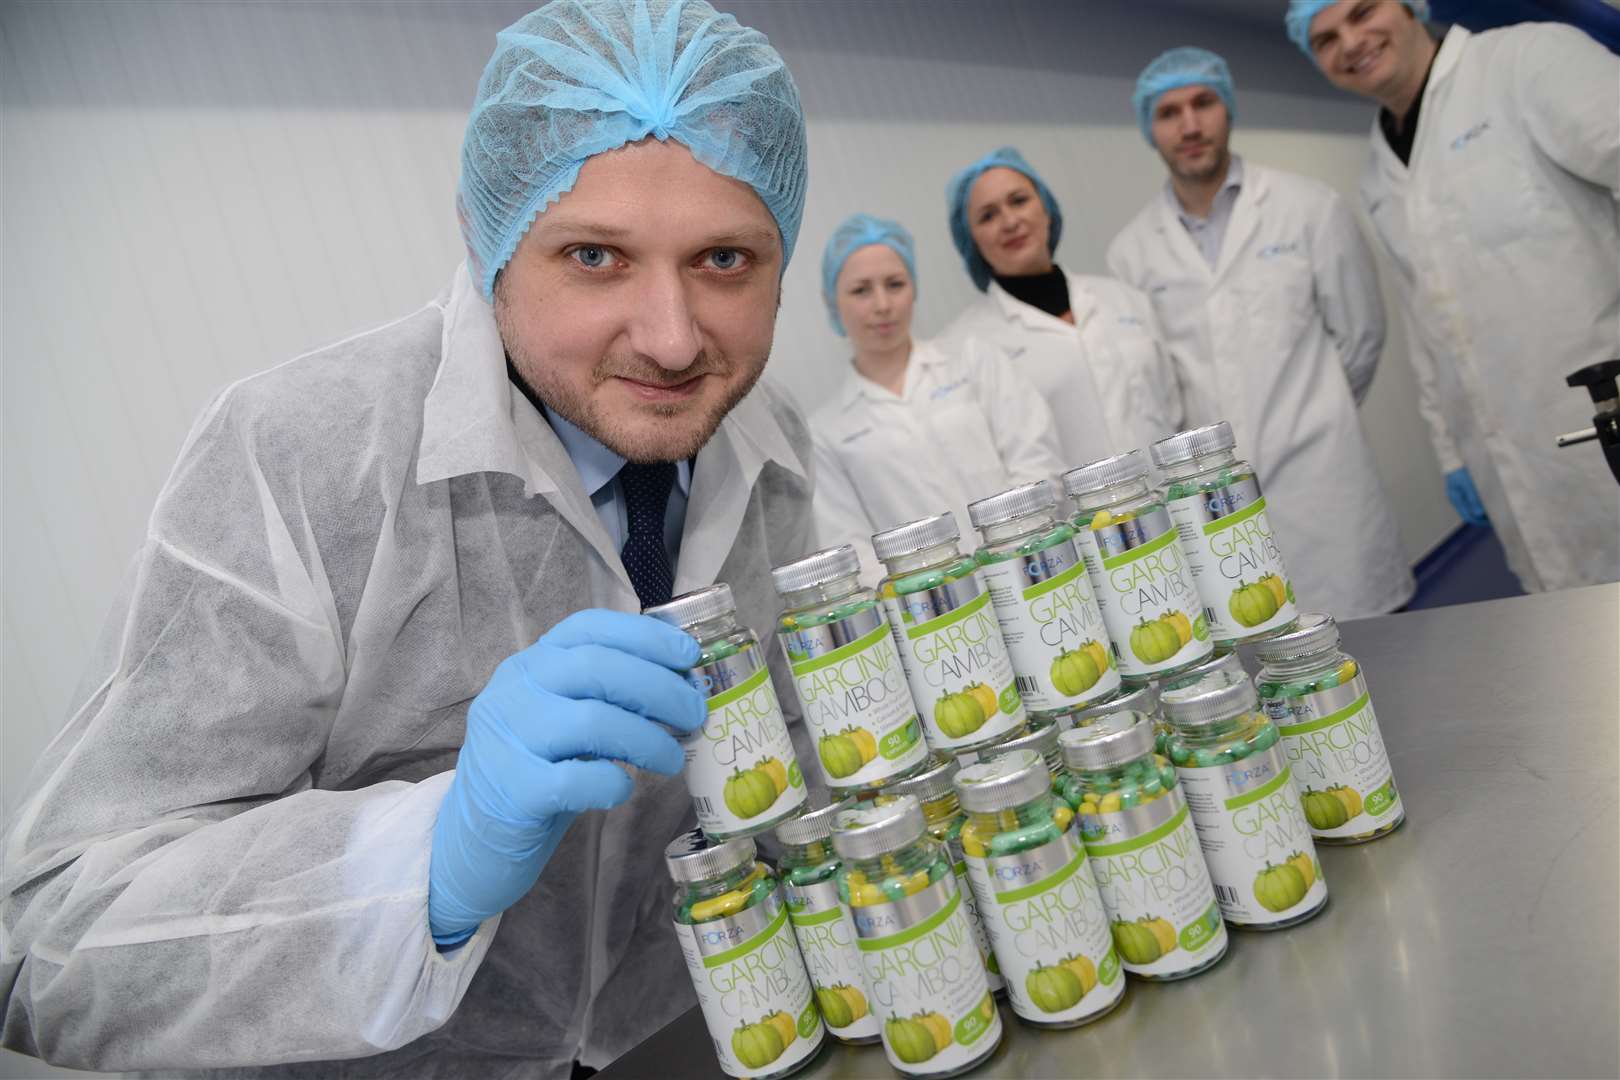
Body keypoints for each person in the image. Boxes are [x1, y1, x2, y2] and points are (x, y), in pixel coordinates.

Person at [0, 2, 815, 1075]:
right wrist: (428, 856)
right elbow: (49, 943)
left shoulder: (772, 439)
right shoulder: (302, 455)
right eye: (593, 256)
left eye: (723, 259)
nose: (669, 340)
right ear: (490, 244)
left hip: (695, 1038)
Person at [1287, 0, 1620, 592]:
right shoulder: (1377, 173)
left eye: (1364, 11)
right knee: (1583, 645)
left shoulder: (1524, 61)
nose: (1351, 41)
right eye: (1325, 39)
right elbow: (1428, 324)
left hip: (1605, 408)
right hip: (1511, 456)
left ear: (1410, 6)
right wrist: (1453, 454)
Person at [1108, 46, 1413, 619]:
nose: (1190, 124)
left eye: (1204, 103)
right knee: (1266, 673)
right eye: (1169, 112)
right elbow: (1158, 386)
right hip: (1216, 506)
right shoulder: (1132, 253)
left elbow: (1361, 334)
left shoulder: (1307, 207)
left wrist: (1314, 413)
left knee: (1382, 660)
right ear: (1149, 129)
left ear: (1228, 110)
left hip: (1323, 482)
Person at [809, 213, 1065, 579]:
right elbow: (852, 550)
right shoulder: (826, 432)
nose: (882, 304)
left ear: (914, 288)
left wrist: (1002, 559)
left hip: (1030, 571)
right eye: (861, 290)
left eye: (895, 284)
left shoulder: (974, 362)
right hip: (934, 612)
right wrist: (934, 590)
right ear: (833, 302)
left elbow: (1036, 464)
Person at [936, 147, 1184, 468]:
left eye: (1019, 200)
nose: (1010, 221)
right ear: (971, 241)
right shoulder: (964, 348)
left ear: (1046, 209)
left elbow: (1173, 410)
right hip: (1073, 517)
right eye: (988, 215)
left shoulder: (1124, 300)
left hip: (1172, 505)